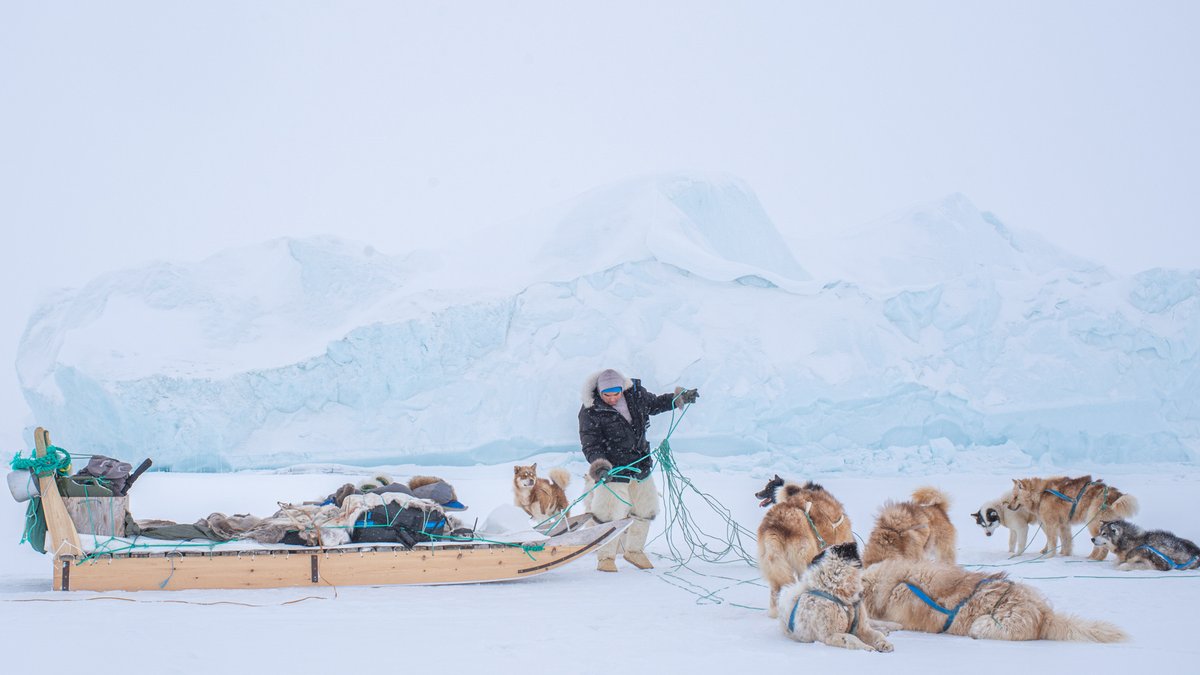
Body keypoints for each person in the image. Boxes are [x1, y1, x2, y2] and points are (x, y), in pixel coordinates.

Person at [578, 368, 699, 572]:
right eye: (606, 395)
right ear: (599, 392)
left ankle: (634, 551)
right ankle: (605, 557)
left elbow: (656, 403)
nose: (611, 398)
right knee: (608, 513)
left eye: (615, 393)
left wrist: (679, 398)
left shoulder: (636, 395)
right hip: (612, 470)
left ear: (622, 390)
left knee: (645, 508)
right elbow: (591, 444)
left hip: (640, 464)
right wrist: (600, 467)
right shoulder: (590, 410)